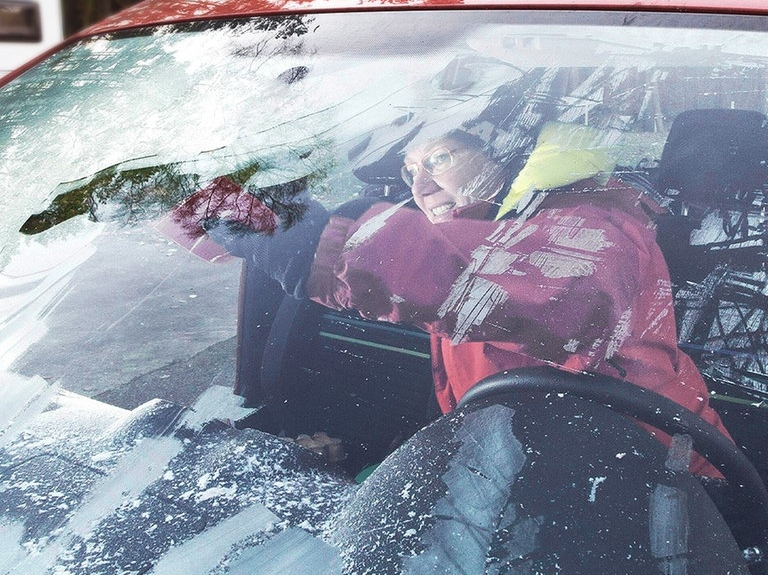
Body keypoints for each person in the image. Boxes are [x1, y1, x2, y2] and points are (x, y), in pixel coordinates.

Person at [162, 120, 731, 477]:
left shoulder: (600, 227)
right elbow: (214, 242)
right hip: (542, 476)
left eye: (438, 159)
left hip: (670, 497)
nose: (418, 186)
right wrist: (172, 193)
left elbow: (466, 277)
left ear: (507, 145)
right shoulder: (480, 223)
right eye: (409, 169)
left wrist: (303, 241)